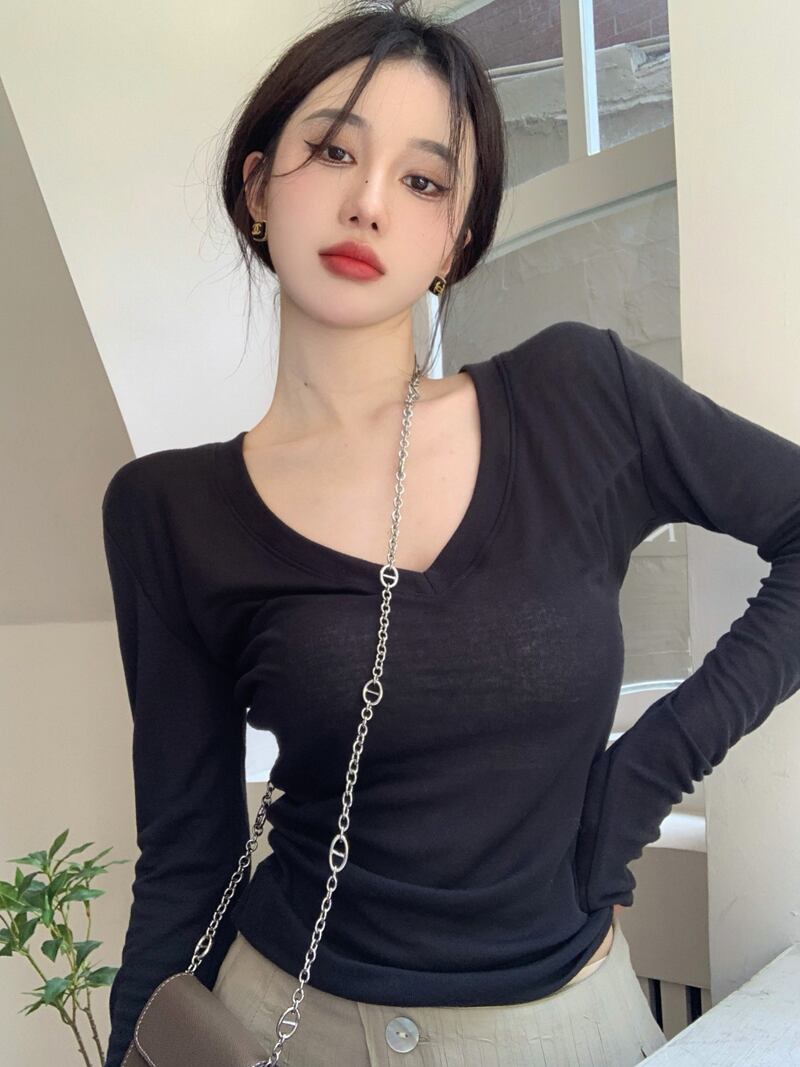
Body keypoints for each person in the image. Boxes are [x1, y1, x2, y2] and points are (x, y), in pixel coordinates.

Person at [100, 3, 800, 1065]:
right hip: (284, 1020)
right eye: (333, 150)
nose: (369, 202)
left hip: (562, 1026)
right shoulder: (166, 509)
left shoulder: (578, 397)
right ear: (257, 187)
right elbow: (184, 856)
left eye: (424, 180)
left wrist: (635, 784)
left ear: (455, 240)